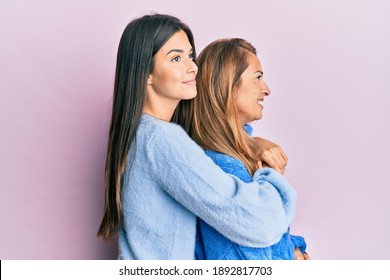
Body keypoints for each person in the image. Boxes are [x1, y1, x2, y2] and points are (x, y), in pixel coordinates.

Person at [97, 13, 297, 260]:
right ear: (145, 73)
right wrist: (272, 175)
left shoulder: (143, 135)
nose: (192, 66)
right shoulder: (162, 141)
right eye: (176, 58)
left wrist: (251, 143)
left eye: (190, 56)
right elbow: (256, 222)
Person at [184, 38, 309, 260]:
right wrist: (273, 179)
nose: (267, 89)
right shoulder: (223, 169)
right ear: (227, 84)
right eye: (258, 77)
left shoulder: (235, 159)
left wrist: (294, 249)